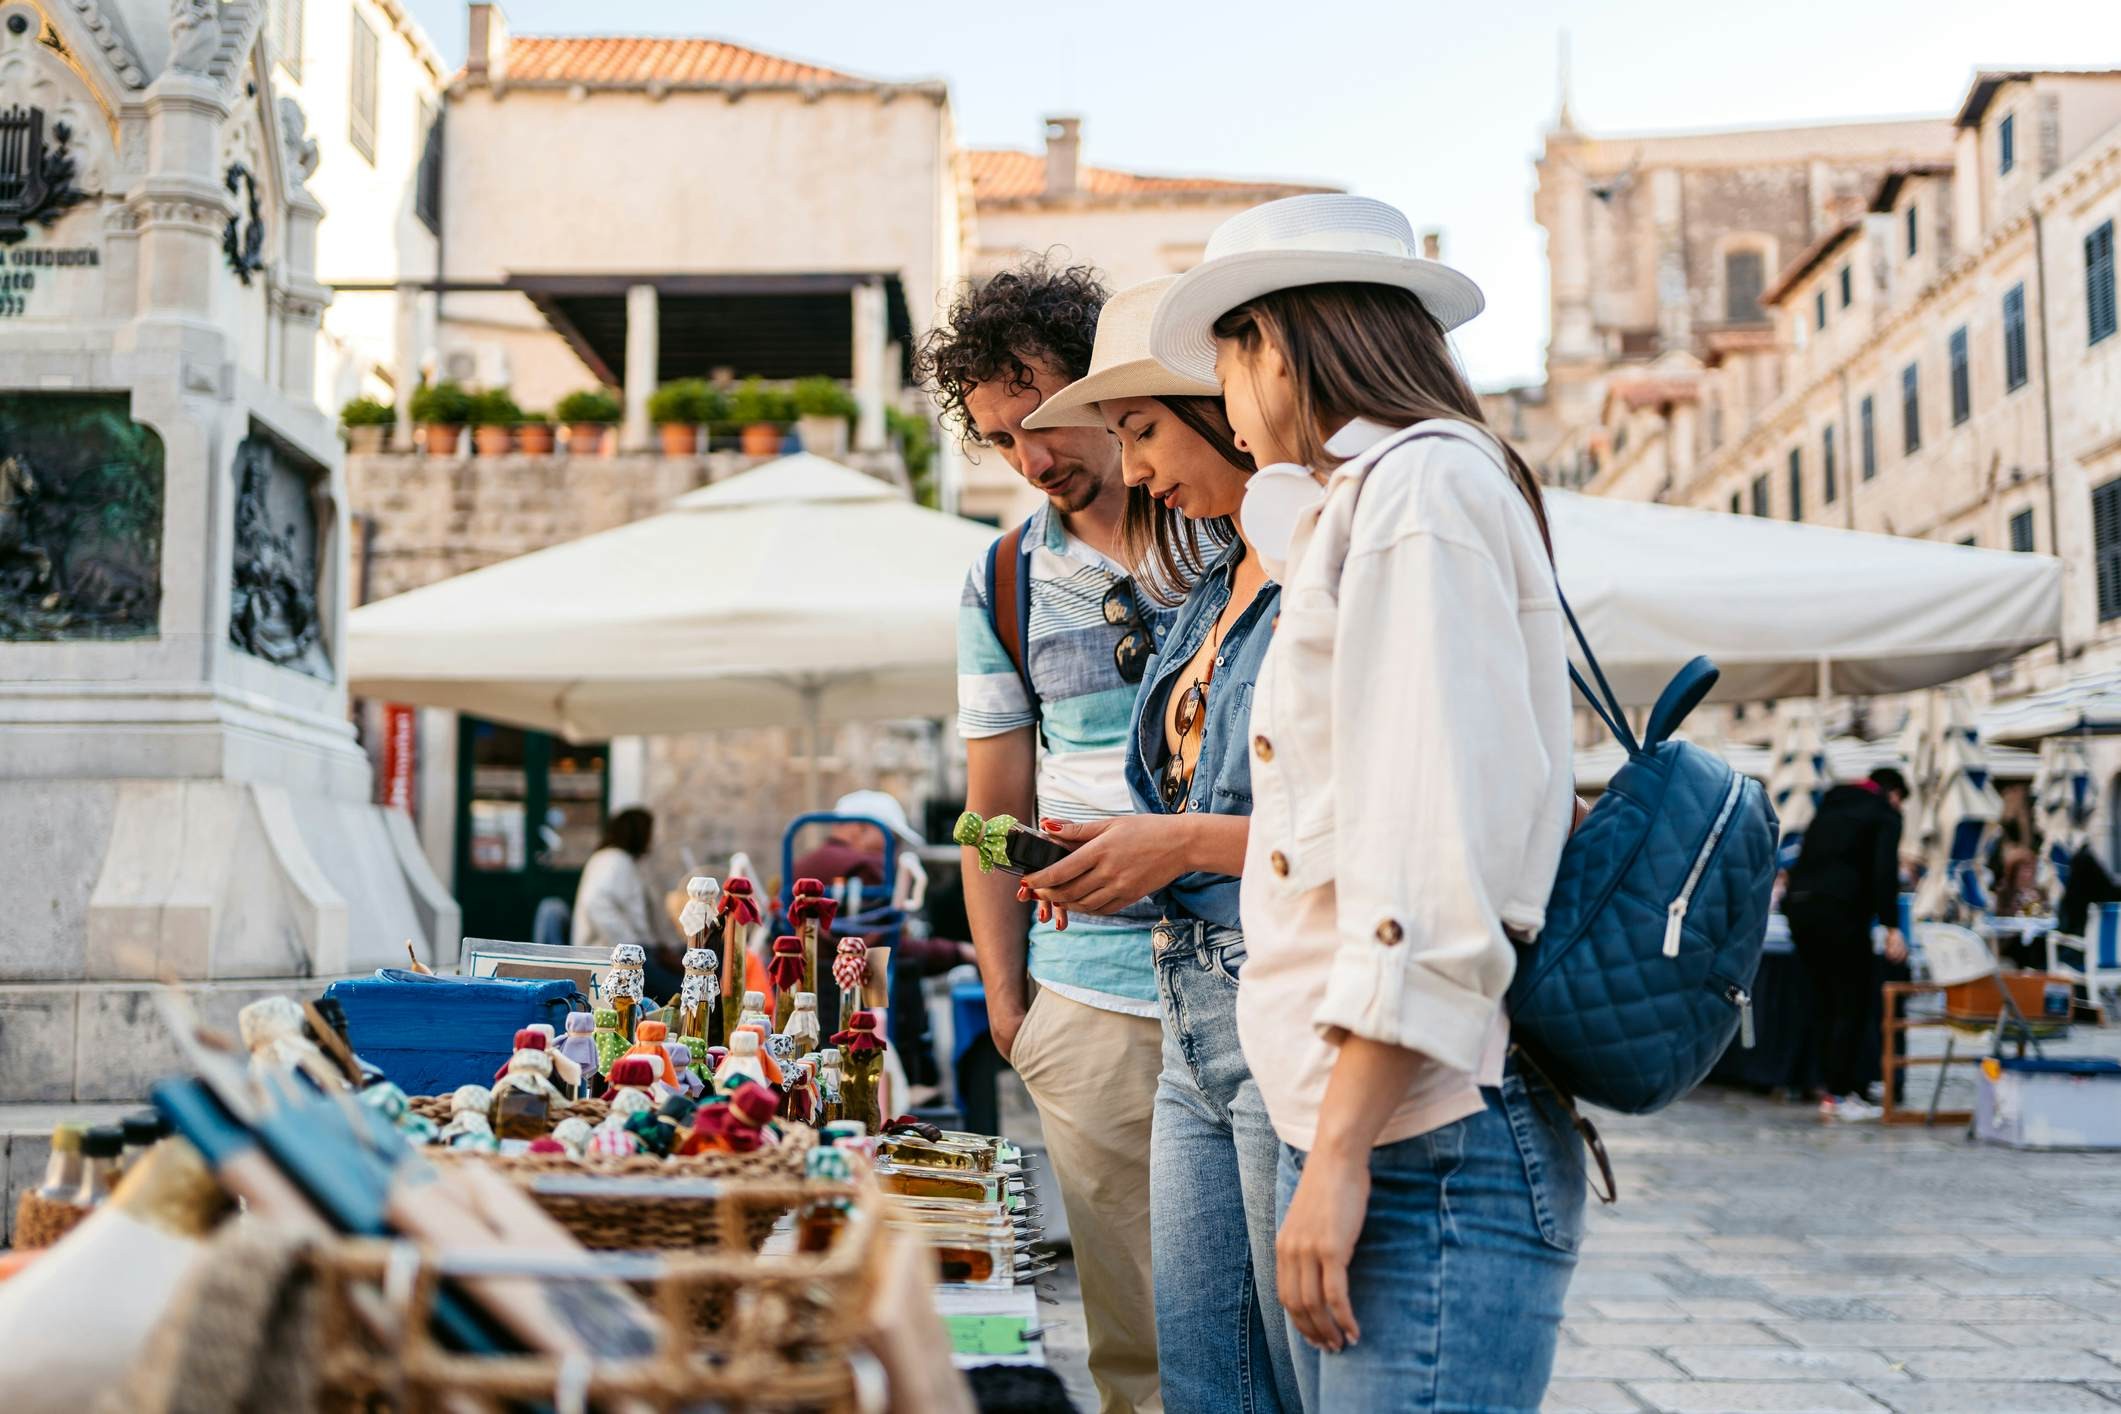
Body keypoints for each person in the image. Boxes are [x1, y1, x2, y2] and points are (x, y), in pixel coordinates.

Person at [1147, 193, 1587, 1411]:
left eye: (1226, 366)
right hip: (1386, 1117)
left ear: (1274, 346)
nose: (1226, 411)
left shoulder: (1420, 499)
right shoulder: (1380, 500)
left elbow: (1429, 848)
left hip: (1414, 1140)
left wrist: (1334, 1157)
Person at [1013, 276, 1298, 1414]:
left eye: (1140, 428)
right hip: (1190, 1009)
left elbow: (1377, 820)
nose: (1133, 471)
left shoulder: (1331, 572)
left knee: (1285, 1375)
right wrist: (1119, 852)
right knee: (1199, 1380)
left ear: (1227, 408)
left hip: (1282, 1004)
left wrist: (1171, 840)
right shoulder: (1213, 586)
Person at [917, 259, 1164, 1413]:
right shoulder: (1003, 577)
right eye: (1001, 441)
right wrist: (1012, 1010)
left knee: (1290, 1317)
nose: (1031, 461)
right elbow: (988, 812)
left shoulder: (1234, 524)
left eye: (1044, 423)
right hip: (1089, 1004)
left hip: (1261, 983)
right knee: (1136, 1346)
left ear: (1108, 386)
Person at [794, 788, 975, 1095]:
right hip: (853, 1000)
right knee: (904, 966)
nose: (895, 848)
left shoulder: (804, 864)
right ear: (860, 828)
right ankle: (916, 1081)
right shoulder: (867, 868)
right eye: (891, 837)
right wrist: (960, 951)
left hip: (806, 988)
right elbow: (884, 946)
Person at [1784, 766, 1909, 1122]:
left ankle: (1827, 1087)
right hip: (1840, 912)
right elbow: (1884, 871)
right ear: (1893, 793)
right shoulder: (1883, 814)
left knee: (1822, 1002)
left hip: (1800, 908)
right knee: (1850, 1002)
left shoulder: (1829, 807)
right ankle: (1841, 1092)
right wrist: (1891, 926)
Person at [572, 808, 681, 996]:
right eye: (649, 832)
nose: (651, 838)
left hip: (637, 952)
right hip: (618, 958)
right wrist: (634, 948)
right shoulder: (614, 861)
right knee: (681, 991)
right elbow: (596, 903)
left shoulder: (620, 861)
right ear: (637, 833)